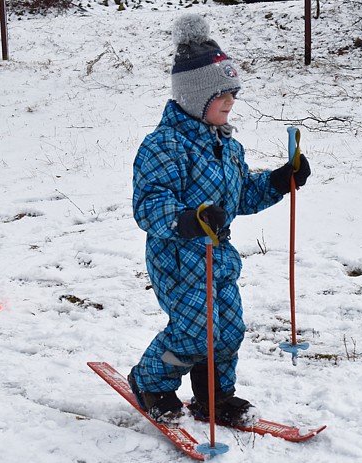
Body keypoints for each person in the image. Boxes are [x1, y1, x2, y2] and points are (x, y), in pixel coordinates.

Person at [128, 13, 311, 427]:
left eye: (233, 93)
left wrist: (282, 181)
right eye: (221, 95)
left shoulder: (227, 147)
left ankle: (213, 396)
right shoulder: (164, 146)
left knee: (227, 329)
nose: (230, 102)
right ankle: (151, 381)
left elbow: (242, 193)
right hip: (177, 256)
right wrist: (188, 219)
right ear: (194, 98)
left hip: (218, 253)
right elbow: (149, 205)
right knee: (195, 331)